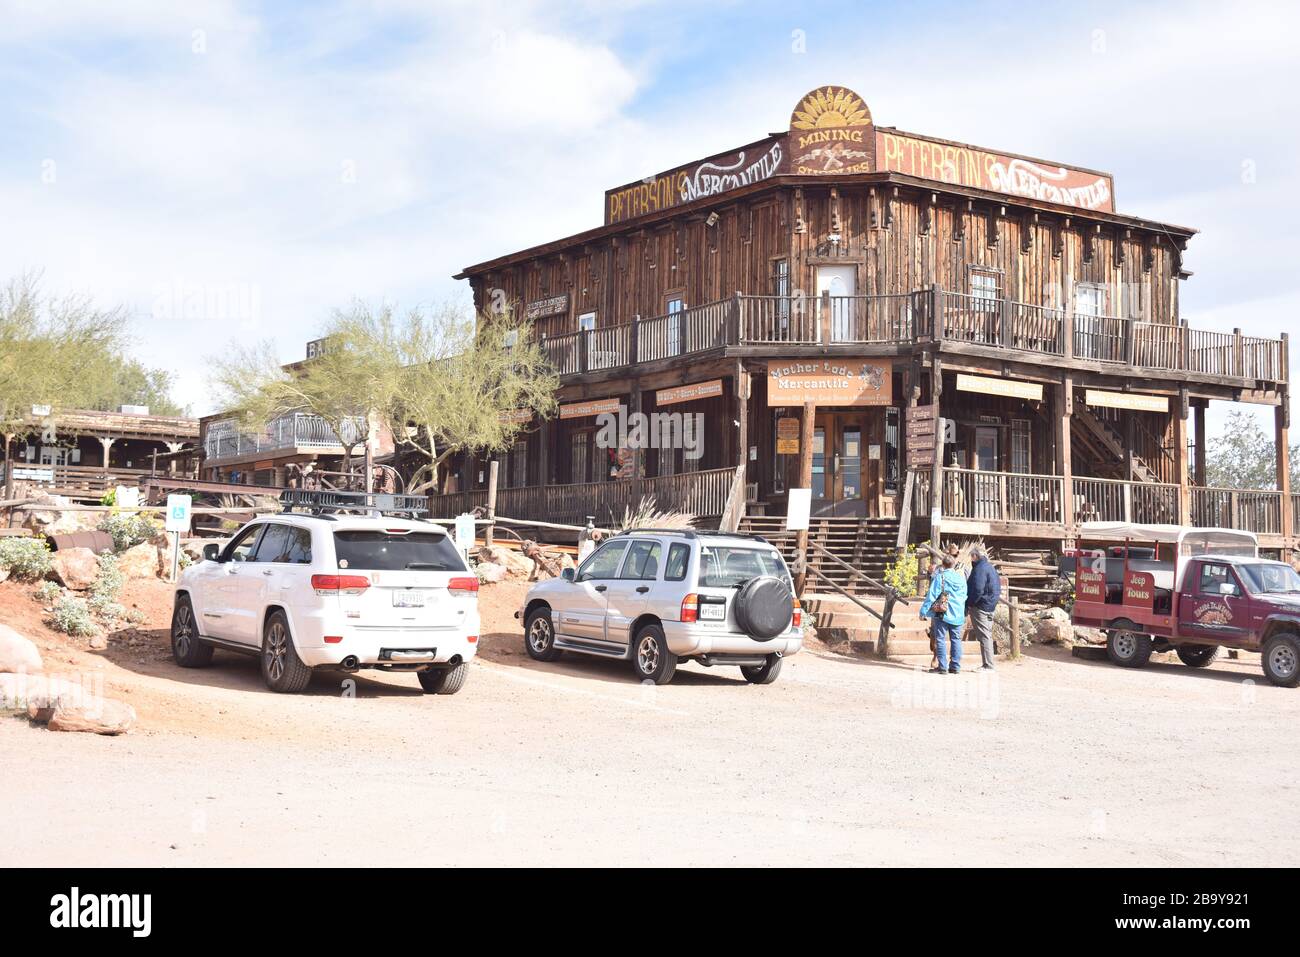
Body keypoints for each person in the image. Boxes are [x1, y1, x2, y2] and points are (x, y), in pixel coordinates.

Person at [920, 552, 967, 674]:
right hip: (958, 612)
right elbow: (964, 595)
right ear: (954, 564)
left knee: (940, 639)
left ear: (943, 565)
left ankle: (942, 667)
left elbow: (932, 595)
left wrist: (923, 611)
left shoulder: (940, 577)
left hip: (943, 612)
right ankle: (955, 666)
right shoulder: (961, 578)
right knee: (956, 639)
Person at [965, 545, 1001, 671]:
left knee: (984, 636)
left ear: (975, 556)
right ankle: (988, 664)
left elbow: (978, 589)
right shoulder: (990, 567)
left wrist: (970, 603)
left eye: (971, 556)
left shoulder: (980, 569)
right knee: (987, 635)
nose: (971, 559)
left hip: (981, 606)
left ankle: (988, 665)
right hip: (990, 604)